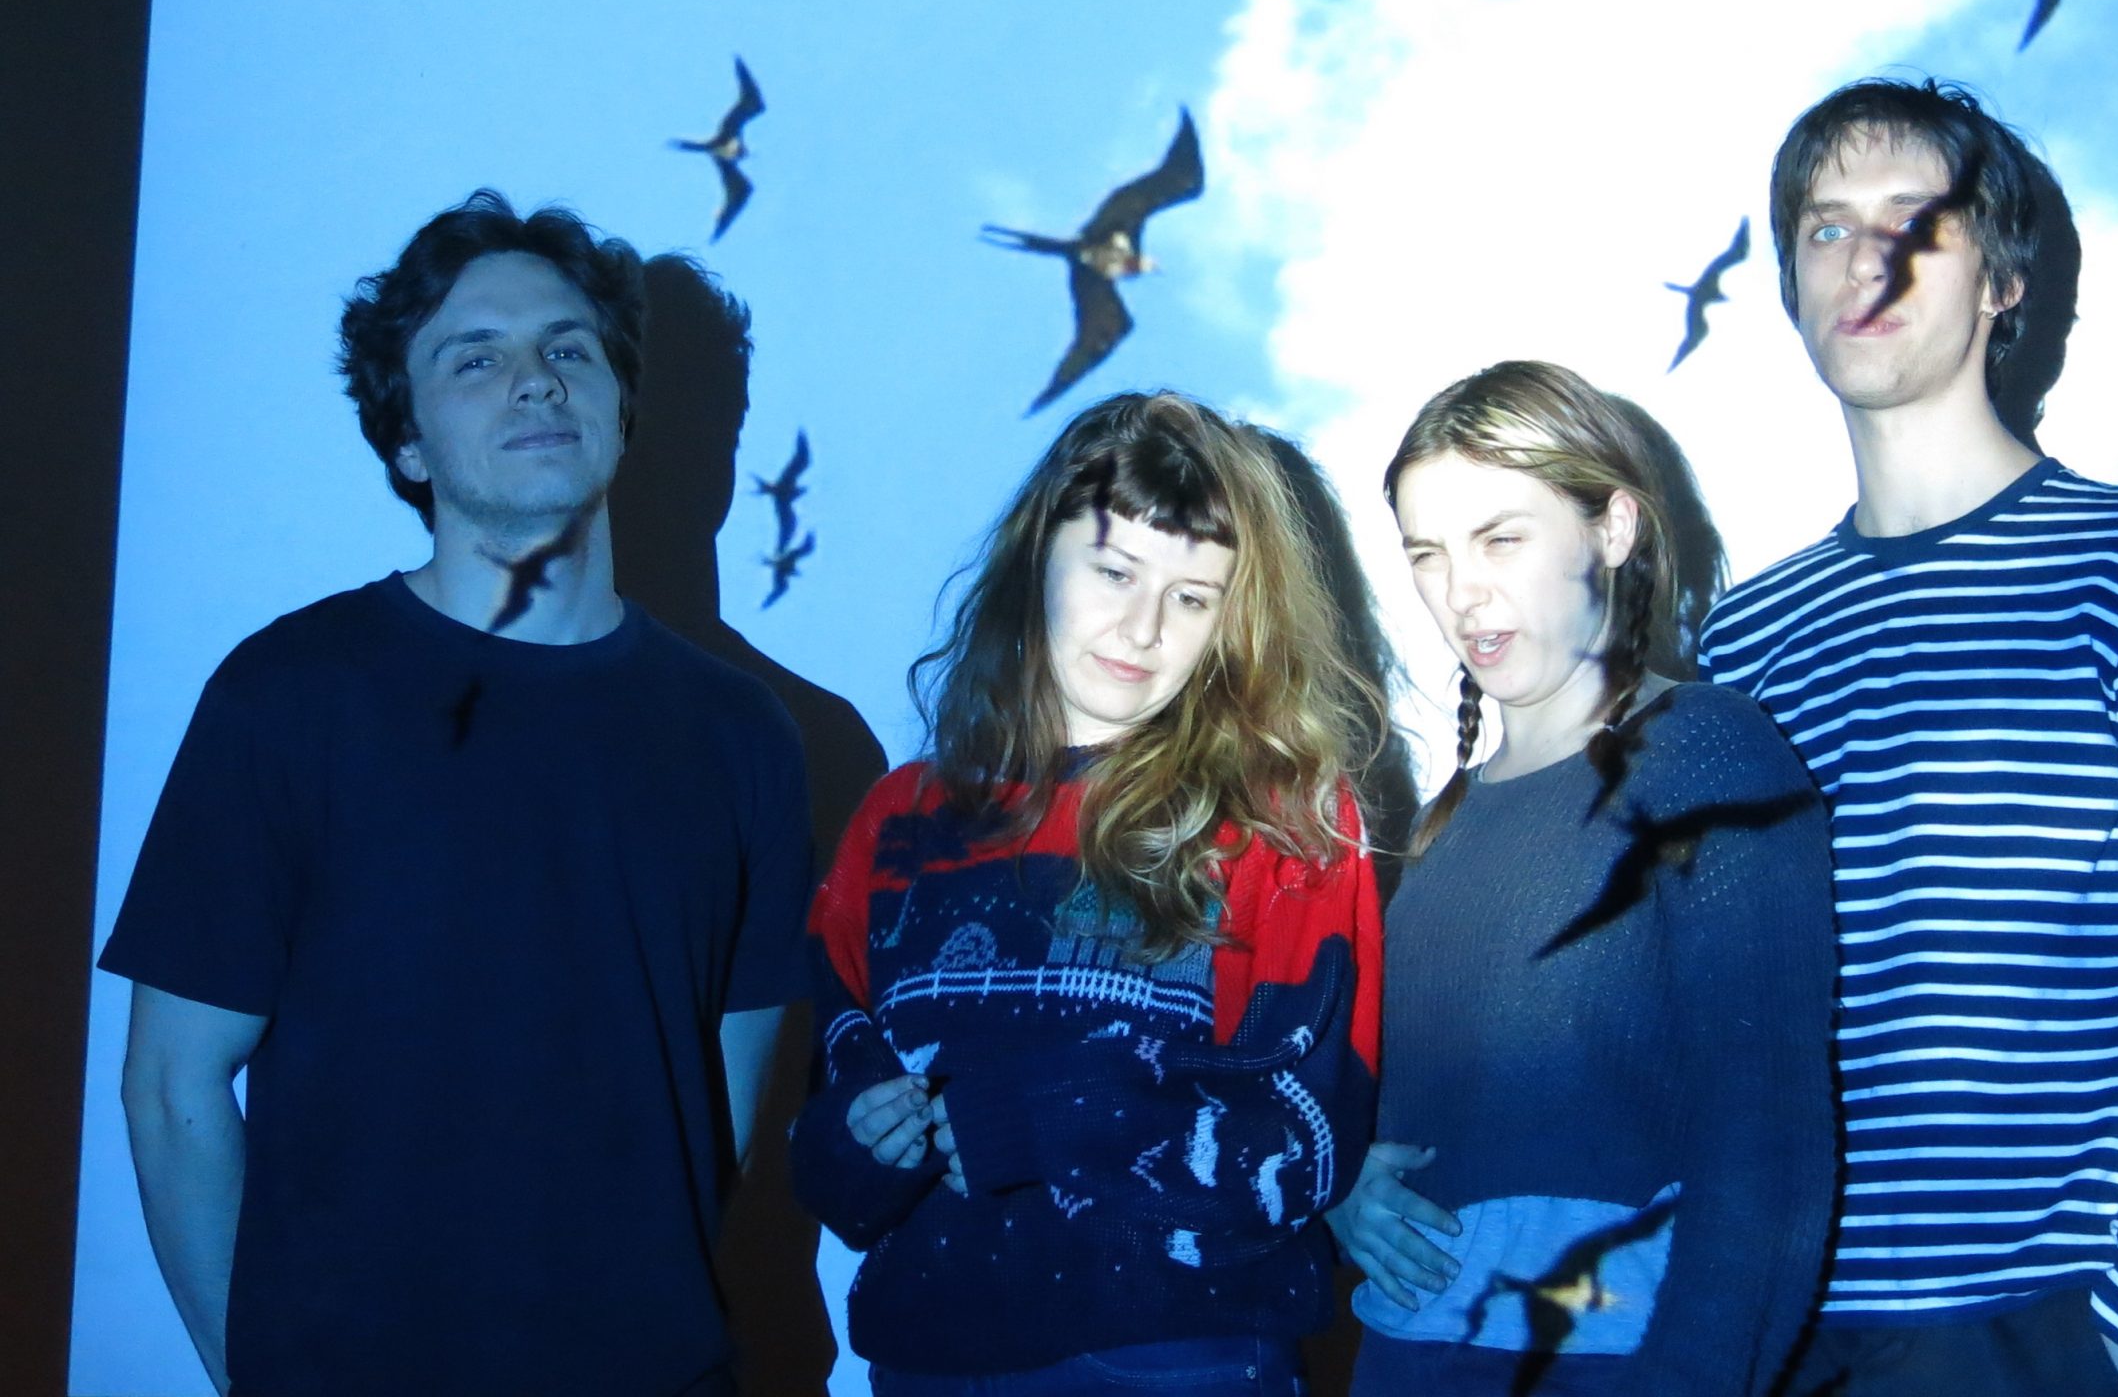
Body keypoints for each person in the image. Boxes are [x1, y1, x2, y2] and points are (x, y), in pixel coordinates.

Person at [101, 190, 812, 1397]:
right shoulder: (291, 695)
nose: (534, 382)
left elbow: (720, 1114)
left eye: (568, 350)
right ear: (409, 444)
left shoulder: (743, 734)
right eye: (474, 358)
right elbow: (172, 1090)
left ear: (621, 409)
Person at [1697, 78, 2118, 1397]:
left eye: (1917, 220)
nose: (1865, 258)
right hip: (1774, 1346)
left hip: (2048, 1336)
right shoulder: (1741, 646)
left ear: (2003, 282)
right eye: (1826, 227)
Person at [792, 391, 1384, 1396]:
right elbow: (822, 1140)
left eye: (1191, 598)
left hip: (1172, 1358)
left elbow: (1308, 1142)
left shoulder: (1283, 825)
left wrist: (1050, 1119)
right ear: (1038, 554)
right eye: (1114, 572)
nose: (1141, 628)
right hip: (925, 1354)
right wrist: (863, 1148)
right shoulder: (896, 822)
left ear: (1234, 622)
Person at [1333, 359, 1836, 1396]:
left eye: (1500, 539)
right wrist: (1339, 1188)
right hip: (1403, 1362)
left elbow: (1769, 1148)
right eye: (1427, 554)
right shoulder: (1435, 828)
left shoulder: (1706, 753)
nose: (1461, 592)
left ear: (1612, 528)